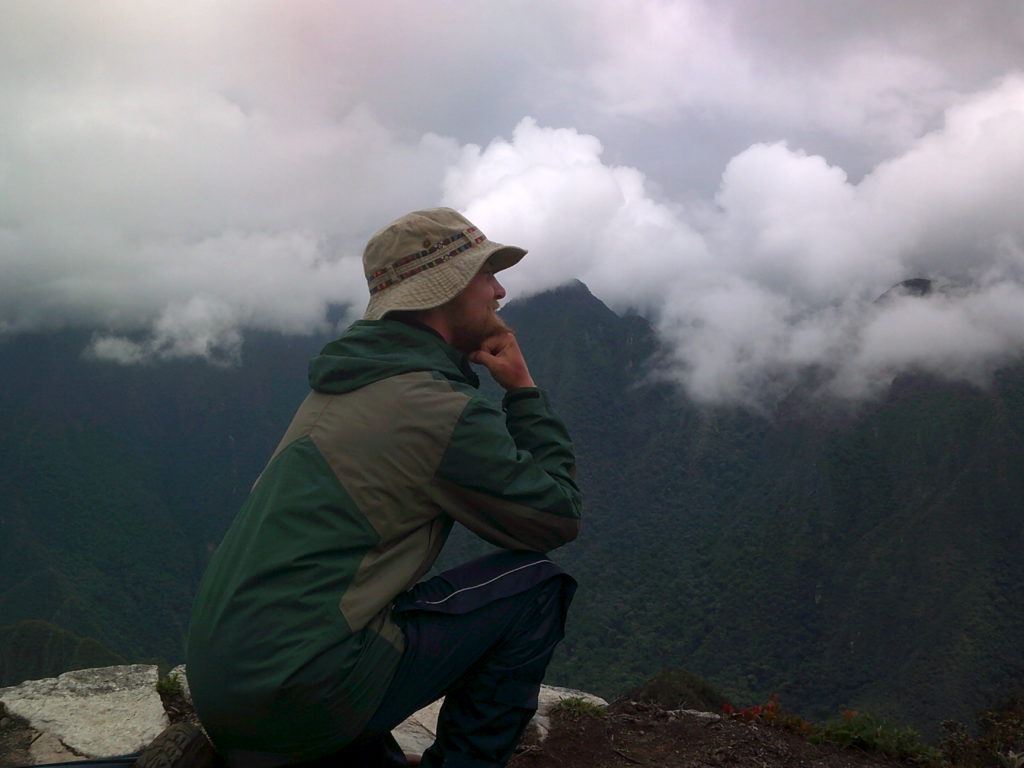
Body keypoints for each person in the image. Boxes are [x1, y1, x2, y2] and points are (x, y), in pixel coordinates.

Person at [180, 208, 582, 768]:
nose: (500, 291)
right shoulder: (434, 406)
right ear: (446, 290)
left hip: (229, 690)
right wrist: (523, 391)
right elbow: (556, 515)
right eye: (487, 274)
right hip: (298, 696)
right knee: (536, 587)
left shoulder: (344, 385)